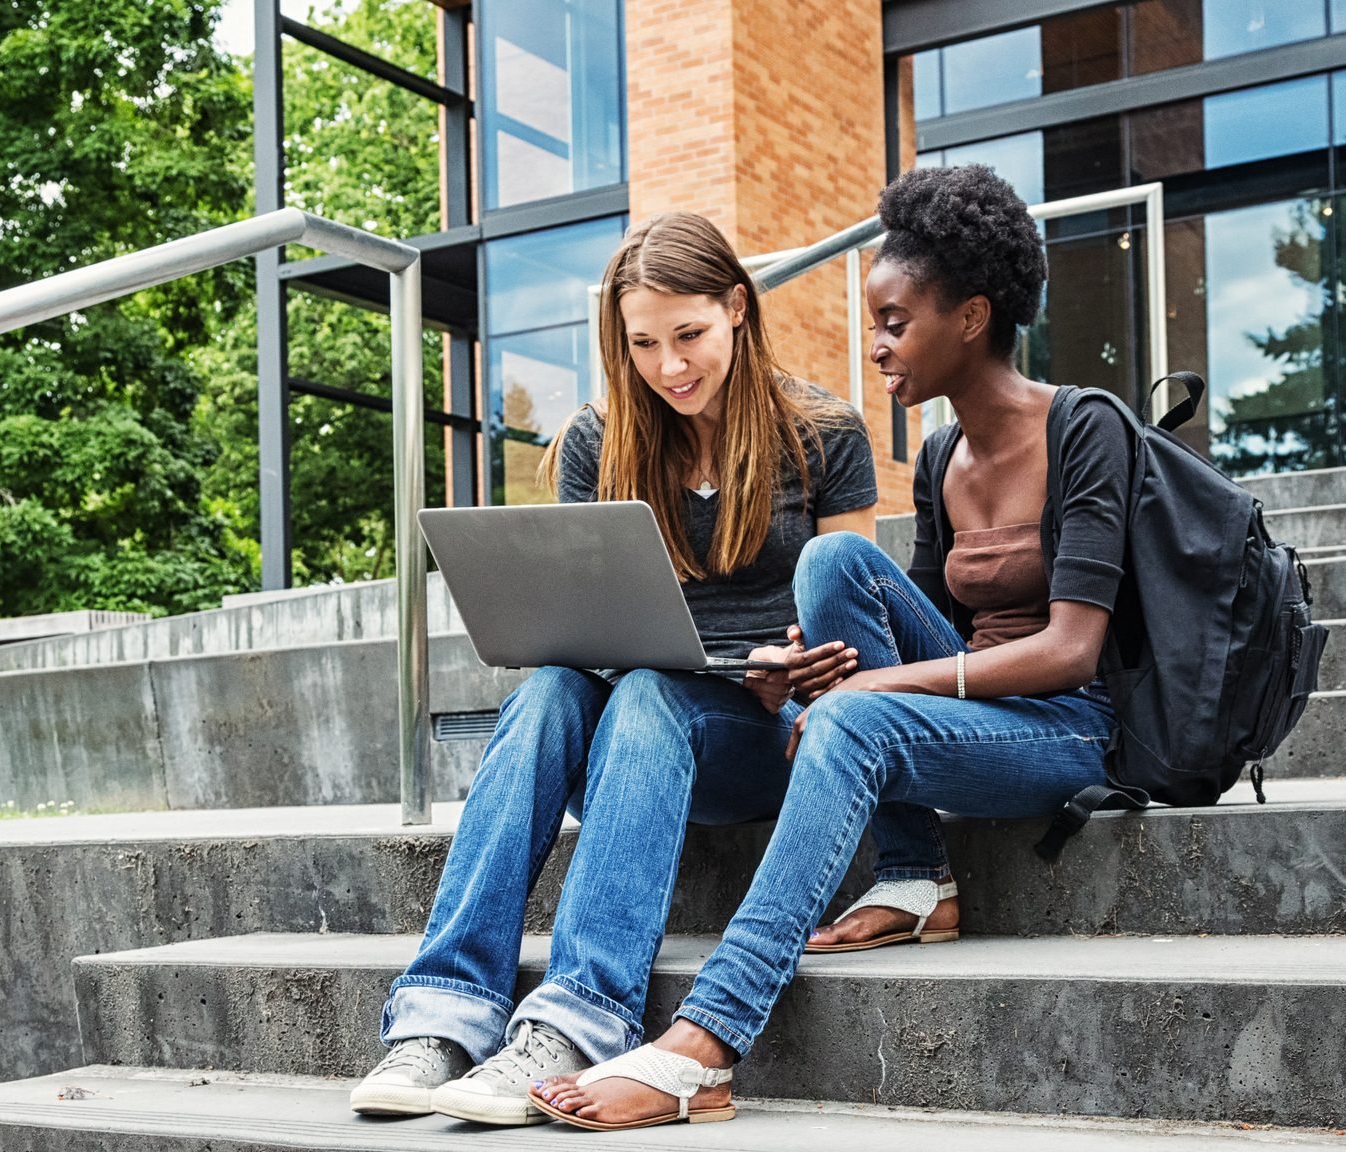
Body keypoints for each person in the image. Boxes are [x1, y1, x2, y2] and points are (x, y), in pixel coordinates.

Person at [531, 164, 1134, 1131]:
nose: (876, 344)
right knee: (834, 562)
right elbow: (915, 624)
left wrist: (861, 694)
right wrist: (798, 671)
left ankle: (705, 1044)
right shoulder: (939, 456)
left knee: (849, 702)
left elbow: (1071, 652)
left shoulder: (1085, 428)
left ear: (972, 318)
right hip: (975, 705)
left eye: (894, 322)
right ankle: (918, 872)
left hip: (1067, 723)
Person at [349, 211, 879, 1125]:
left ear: (738, 308)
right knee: (552, 690)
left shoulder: (825, 433)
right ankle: (441, 1016)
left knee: (646, 695)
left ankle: (576, 1023)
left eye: (690, 335)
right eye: (643, 344)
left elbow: (853, 631)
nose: (670, 366)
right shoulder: (599, 441)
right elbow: (582, 626)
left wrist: (793, 668)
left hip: (766, 736)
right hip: (635, 736)